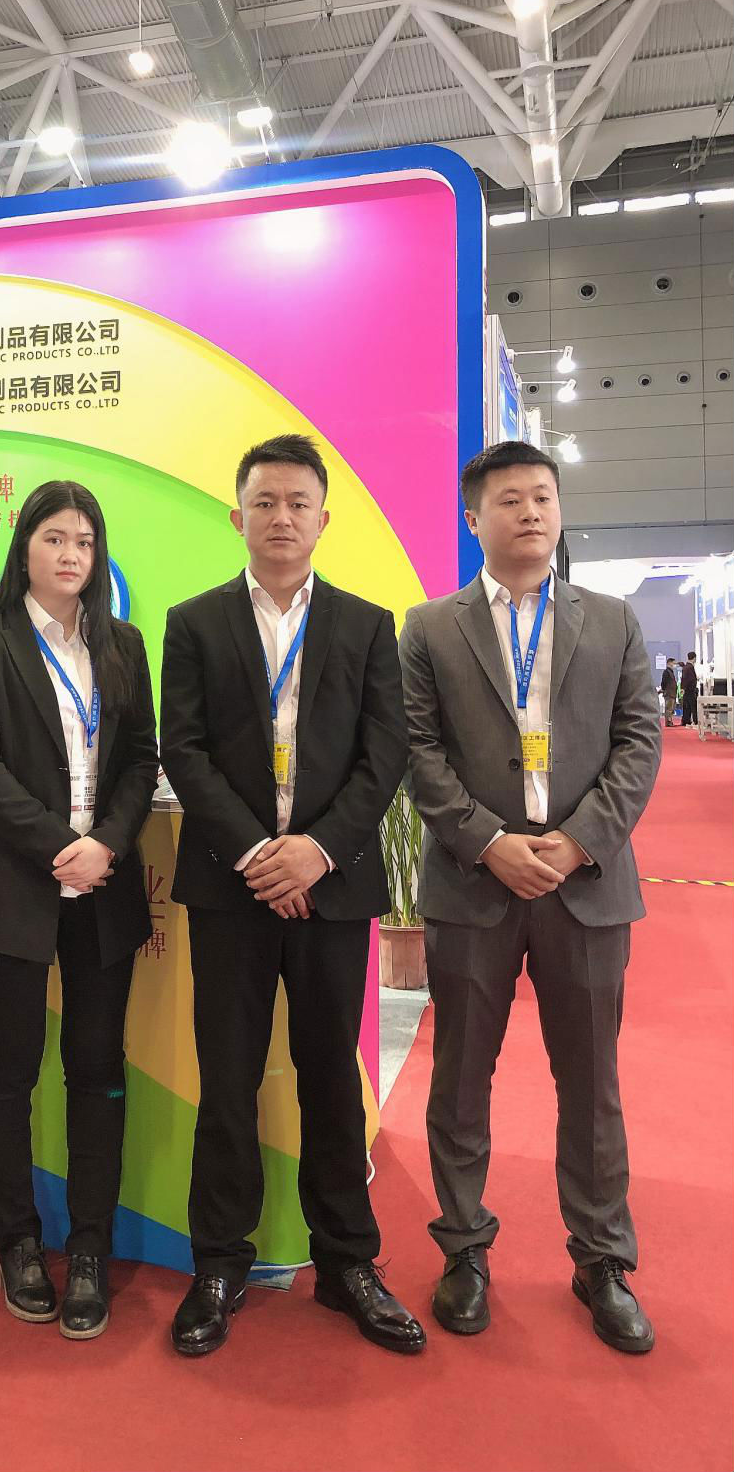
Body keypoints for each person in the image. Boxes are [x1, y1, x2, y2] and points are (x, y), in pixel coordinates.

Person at [160, 434, 424, 1359]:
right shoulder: (193, 623)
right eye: (264, 502)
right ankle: (218, 1263)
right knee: (226, 1079)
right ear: (236, 515)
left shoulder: (365, 624)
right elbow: (183, 748)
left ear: (322, 518)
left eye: (297, 503)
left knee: (329, 1078)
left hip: (331, 889)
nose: (280, 517)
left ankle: (347, 1261)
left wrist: (314, 851)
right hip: (230, 888)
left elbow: (383, 753)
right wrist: (255, 853)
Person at [398, 440, 661, 1355]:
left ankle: (602, 1261)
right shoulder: (428, 628)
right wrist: (487, 841)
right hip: (473, 883)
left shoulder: (613, 620)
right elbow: (417, 752)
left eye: (542, 496)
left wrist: (580, 840)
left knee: (590, 1084)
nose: (530, 512)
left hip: (585, 884)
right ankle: (463, 1250)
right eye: (508, 499)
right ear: (472, 517)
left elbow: (638, 741)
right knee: (460, 1078)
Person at [0, 482, 158, 1338]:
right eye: (54, 538)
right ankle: (18, 1243)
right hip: (13, 884)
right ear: (24, 547)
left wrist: (104, 843)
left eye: (85, 541)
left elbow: (140, 759)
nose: (71, 555)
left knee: (96, 1070)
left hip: (103, 887)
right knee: (7, 1070)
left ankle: (91, 1248)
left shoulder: (121, 643)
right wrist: (55, 845)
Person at [680, 650, 699, 726]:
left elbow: (683, 679)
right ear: (694, 658)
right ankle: (695, 721)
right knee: (693, 706)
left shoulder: (685, 667)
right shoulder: (690, 667)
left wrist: (682, 688)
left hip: (686, 690)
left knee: (686, 706)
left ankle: (685, 720)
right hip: (690, 690)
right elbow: (691, 679)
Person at [660, 658, 678, 727]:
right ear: (669, 663)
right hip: (669, 693)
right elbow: (663, 682)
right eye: (674, 663)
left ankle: (670, 721)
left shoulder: (671, 672)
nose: (674, 665)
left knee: (671, 708)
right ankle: (668, 722)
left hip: (672, 693)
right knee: (669, 708)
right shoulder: (666, 672)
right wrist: (663, 689)